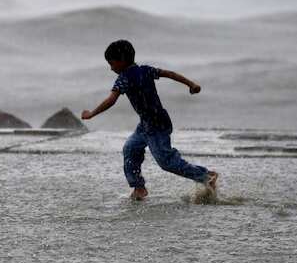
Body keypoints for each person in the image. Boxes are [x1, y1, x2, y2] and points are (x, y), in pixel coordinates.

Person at [81, 39, 218, 200]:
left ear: (122, 60)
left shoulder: (124, 78)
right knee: (130, 149)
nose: (111, 68)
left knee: (166, 162)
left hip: (157, 125)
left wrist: (92, 113)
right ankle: (139, 188)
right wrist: (191, 84)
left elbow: (111, 100)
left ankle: (206, 176)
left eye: (112, 63)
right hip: (146, 123)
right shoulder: (146, 70)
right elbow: (169, 74)